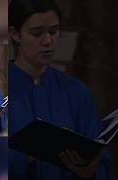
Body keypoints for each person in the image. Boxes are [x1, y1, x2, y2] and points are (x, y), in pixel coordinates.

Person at [8, 0, 110, 179]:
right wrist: (27, 157)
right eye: (37, 33)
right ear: (15, 34)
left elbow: (101, 159)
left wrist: (89, 170)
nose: (48, 41)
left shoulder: (76, 91)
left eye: (54, 32)